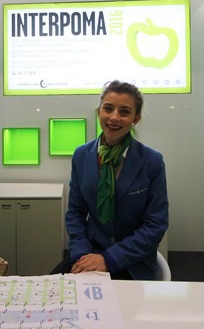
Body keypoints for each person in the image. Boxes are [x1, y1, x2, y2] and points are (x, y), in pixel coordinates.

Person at [56, 80, 169, 280]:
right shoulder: (82, 156)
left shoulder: (151, 161)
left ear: (136, 118)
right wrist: (82, 255)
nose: (114, 117)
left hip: (132, 261)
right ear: (99, 111)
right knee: (51, 293)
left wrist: (108, 259)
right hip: (89, 252)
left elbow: (155, 225)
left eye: (124, 112)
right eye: (108, 108)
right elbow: (76, 213)